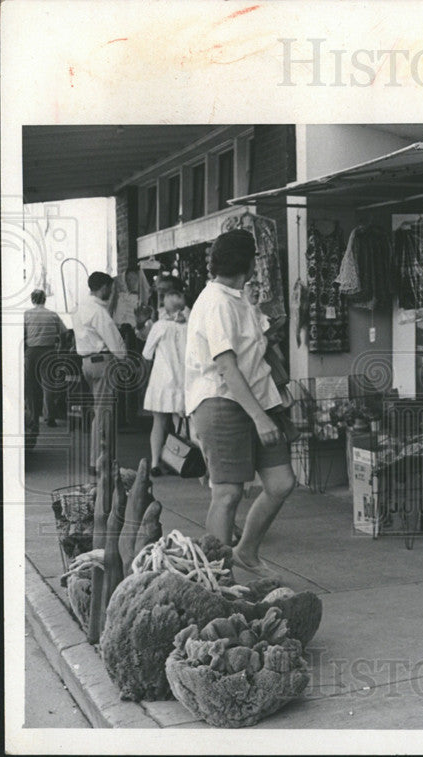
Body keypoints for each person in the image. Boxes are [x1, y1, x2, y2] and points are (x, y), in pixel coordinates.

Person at [185, 229, 296, 580]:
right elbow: (227, 367)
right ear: (248, 263)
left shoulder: (238, 298)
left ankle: (245, 551)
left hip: (258, 400)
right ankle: (216, 577)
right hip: (222, 402)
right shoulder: (215, 301)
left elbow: (250, 354)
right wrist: (260, 418)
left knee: (280, 483)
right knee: (228, 493)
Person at [74, 271, 127, 472]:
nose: (112, 291)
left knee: (100, 410)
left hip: (87, 362)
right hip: (102, 361)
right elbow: (115, 342)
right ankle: (98, 461)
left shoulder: (80, 308)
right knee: (104, 412)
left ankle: (102, 458)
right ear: (104, 287)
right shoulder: (98, 312)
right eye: (111, 288)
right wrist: (123, 357)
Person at [142, 286, 188, 476]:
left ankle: (155, 462)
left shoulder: (159, 326)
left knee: (159, 423)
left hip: (162, 380)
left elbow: (147, 353)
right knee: (182, 423)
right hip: (183, 379)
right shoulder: (188, 326)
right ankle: (180, 461)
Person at [24, 289, 68, 427]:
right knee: (48, 385)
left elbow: (21, 335)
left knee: (31, 386)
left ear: (32, 300)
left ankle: (33, 417)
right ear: (44, 299)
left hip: (31, 352)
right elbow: (65, 332)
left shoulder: (27, 315)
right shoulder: (53, 315)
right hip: (49, 352)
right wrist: (61, 347)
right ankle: (50, 417)